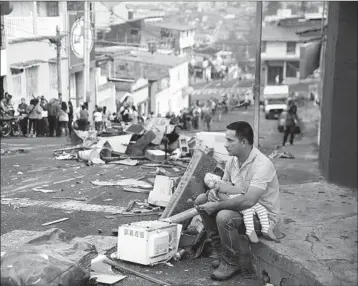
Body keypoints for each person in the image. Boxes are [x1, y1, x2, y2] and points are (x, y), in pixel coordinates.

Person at [195, 121, 280, 281]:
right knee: (201, 200)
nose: (225, 145)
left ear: (244, 142)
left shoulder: (262, 165)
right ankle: (221, 253)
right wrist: (213, 191)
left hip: (262, 216)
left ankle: (231, 262)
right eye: (225, 140)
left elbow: (249, 201)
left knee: (224, 215)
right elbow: (224, 185)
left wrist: (217, 205)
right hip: (241, 207)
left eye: (230, 140)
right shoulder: (232, 161)